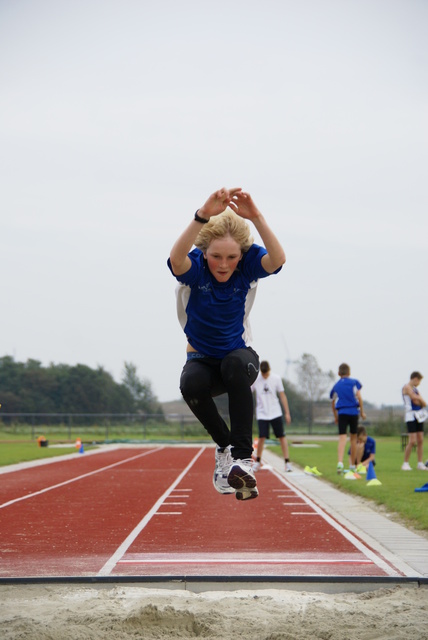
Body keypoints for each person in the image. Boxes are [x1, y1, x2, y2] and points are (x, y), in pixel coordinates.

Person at [168, 187, 285, 500]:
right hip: (202, 361)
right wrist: (201, 216)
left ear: (241, 256)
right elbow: (175, 259)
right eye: (216, 256)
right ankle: (224, 445)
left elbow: (277, 259)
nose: (223, 264)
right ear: (204, 252)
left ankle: (244, 461)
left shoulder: (247, 266)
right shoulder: (196, 269)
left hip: (239, 357)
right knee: (190, 385)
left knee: (234, 365)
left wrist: (257, 217)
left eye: (231, 257)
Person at [251, 360, 292, 472]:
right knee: (262, 437)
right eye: (263, 374)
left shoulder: (276, 378)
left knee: (282, 437)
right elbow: (248, 392)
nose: (265, 376)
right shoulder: (256, 379)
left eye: (266, 374)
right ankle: (258, 461)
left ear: (269, 370)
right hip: (262, 413)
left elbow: (282, 396)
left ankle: (287, 462)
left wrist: (287, 412)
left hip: (275, 412)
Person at [330, 363, 366, 473]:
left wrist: (336, 417)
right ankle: (352, 465)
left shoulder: (336, 386)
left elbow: (333, 402)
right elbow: (359, 397)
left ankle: (340, 463)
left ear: (339, 373)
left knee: (342, 438)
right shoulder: (354, 382)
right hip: (353, 412)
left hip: (342, 412)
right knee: (353, 438)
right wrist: (362, 412)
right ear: (349, 372)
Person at [401, 371, 427, 471]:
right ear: (415, 379)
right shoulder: (407, 387)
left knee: (420, 440)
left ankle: (420, 463)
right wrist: (420, 399)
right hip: (410, 415)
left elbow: (423, 403)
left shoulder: (416, 389)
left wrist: (420, 399)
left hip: (418, 415)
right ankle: (405, 463)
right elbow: (414, 399)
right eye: (419, 381)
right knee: (412, 441)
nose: (419, 383)